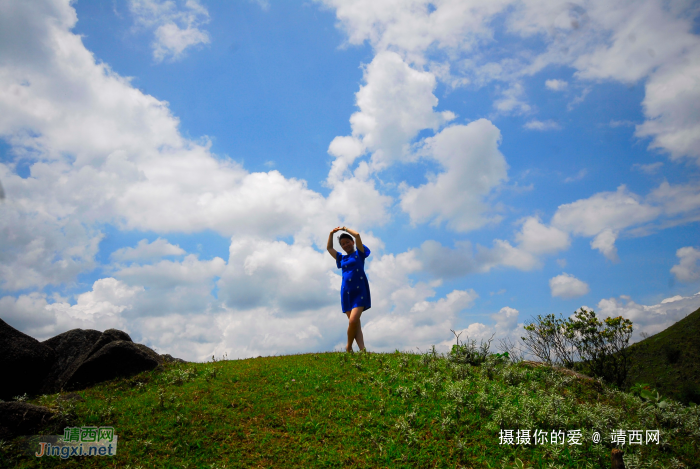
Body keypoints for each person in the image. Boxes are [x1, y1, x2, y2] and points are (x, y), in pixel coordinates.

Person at [327, 226, 371, 353]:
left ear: (352, 242)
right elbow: (329, 248)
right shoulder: (342, 258)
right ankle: (363, 350)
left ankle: (348, 346)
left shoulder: (359, 254)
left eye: (347, 242)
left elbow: (357, 235)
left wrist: (344, 229)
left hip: (360, 291)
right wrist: (331, 234)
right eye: (342, 244)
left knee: (353, 321)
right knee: (355, 324)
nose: (345, 245)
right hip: (346, 292)